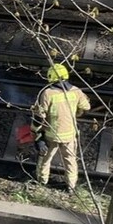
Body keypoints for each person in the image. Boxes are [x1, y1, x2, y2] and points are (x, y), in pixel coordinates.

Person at [31, 63, 91, 191]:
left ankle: (42, 181)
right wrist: (76, 114)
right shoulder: (76, 91)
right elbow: (86, 108)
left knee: (45, 159)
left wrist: (37, 134)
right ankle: (71, 186)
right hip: (69, 135)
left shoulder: (48, 93)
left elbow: (39, 116)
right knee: (70, 161)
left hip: (50, 135)